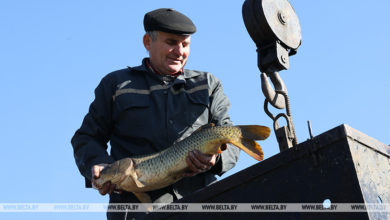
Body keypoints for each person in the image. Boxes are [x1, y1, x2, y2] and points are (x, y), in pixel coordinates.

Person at [71, 8, 240, 219]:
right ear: (147, 42)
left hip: (201, 205)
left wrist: (215, 159)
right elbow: (86, 137)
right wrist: (98, 164)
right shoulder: (116, 85)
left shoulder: (208, 85)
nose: (179, 51)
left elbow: (231, 139)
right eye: (171, 42)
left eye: (185, 44)